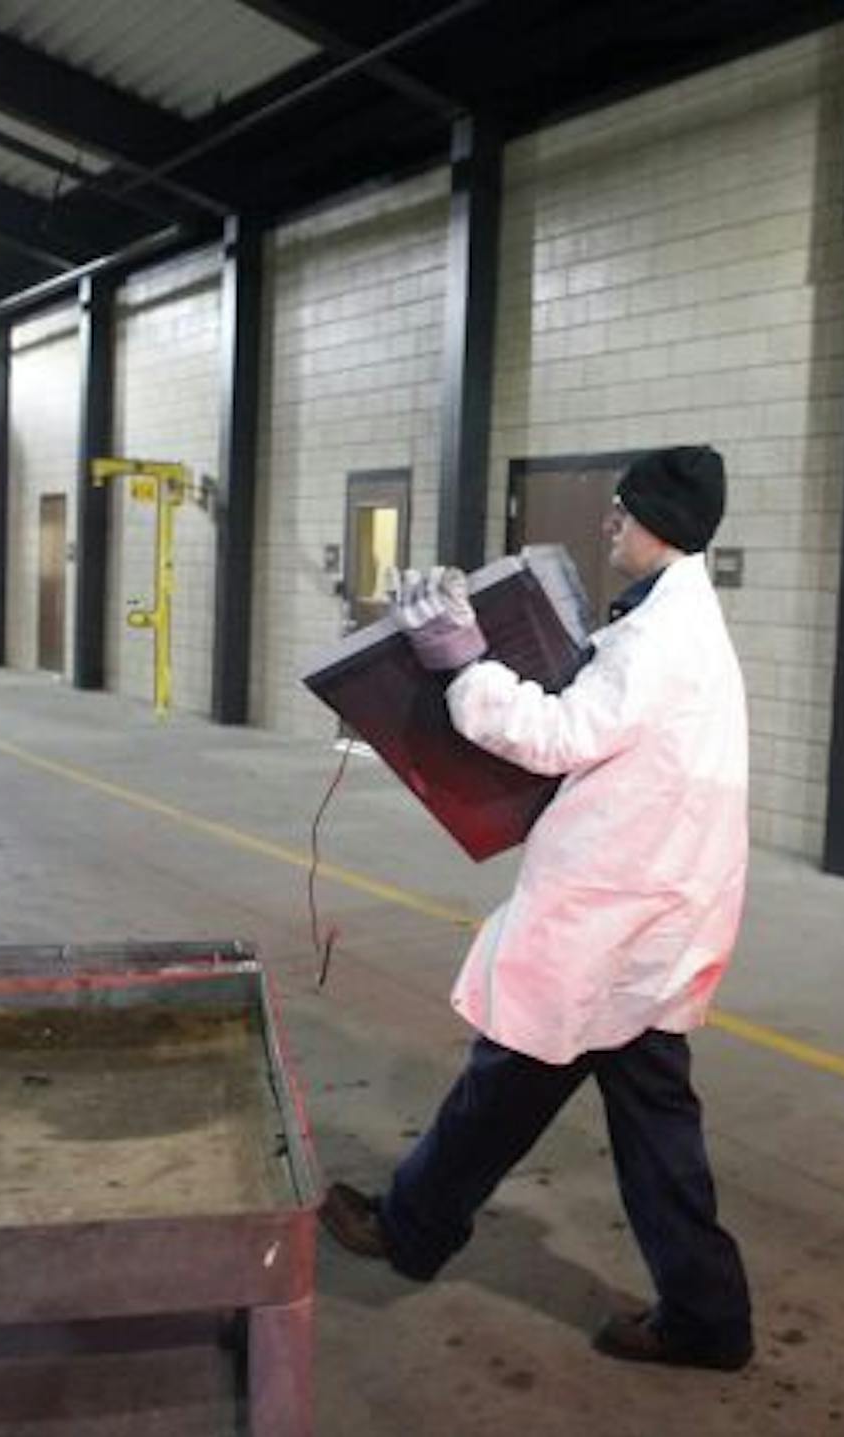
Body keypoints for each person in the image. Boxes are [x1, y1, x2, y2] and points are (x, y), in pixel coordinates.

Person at [321, 444, 754, 1372]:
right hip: (648, 915)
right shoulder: (671, 621)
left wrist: (464, 664)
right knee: (619, 1110)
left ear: (660, 525)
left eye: (622, 512)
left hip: (617, 918)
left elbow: (560, 733)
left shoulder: (660, 640)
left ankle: (412, 1229)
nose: (610, 524)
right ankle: (706, 1313)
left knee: (514, 1080)